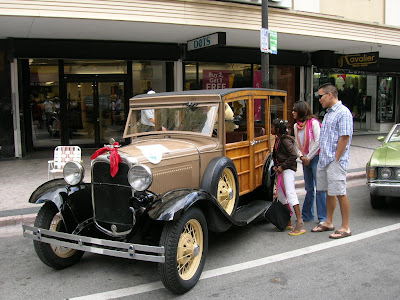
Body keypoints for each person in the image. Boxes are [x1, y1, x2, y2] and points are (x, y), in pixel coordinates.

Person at [312, 83, 353, 239]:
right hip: (324, 159)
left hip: (335, 161)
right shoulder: (329, 113)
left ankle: (346, 227)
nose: (319, 99)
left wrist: (336, 159)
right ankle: (328, 222)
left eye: (321, 96)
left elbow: (344, 138)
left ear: (330, 95)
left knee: (340, 193)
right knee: (329, 192)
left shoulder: (343, 113)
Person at [292, 101, 327, 224]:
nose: (292, 112)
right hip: (305, 159)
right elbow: (296, 144)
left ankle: (323, 217)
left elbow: (318, 142)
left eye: (294, 110)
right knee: (309, 189)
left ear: (301, 111)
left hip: (315, 158)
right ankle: (307, 215)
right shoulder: (296, 126)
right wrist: (302, 157)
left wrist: (308, 157)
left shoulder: (314, 124)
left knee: (320, 188)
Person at [271, 118, 305, 236]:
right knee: (281, 195)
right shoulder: (278, 139)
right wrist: (277, 166)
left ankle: (299, 223)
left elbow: (293, 155)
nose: (271, 129)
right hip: (282, 169)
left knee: (290, 193)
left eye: (272, 127)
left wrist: (282, 166)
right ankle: (288, 221)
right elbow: (277, 156)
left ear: (277, 129)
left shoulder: (285, 141)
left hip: (288, 170)